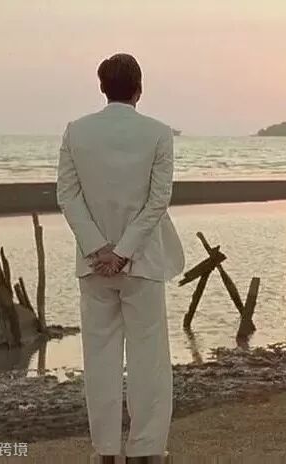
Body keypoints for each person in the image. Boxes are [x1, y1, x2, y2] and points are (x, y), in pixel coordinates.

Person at [56, 53, 185, 463]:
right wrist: (124, 250)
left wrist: (99, 248)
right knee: (150, 359)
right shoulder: (158, 133)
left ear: (102, 88)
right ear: (139, 89)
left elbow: (68, 197)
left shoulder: (76, 131)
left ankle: (106, 450)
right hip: (142, 261)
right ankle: (147, 449)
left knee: (99, 360)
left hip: (94, 265)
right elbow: (158, 200)